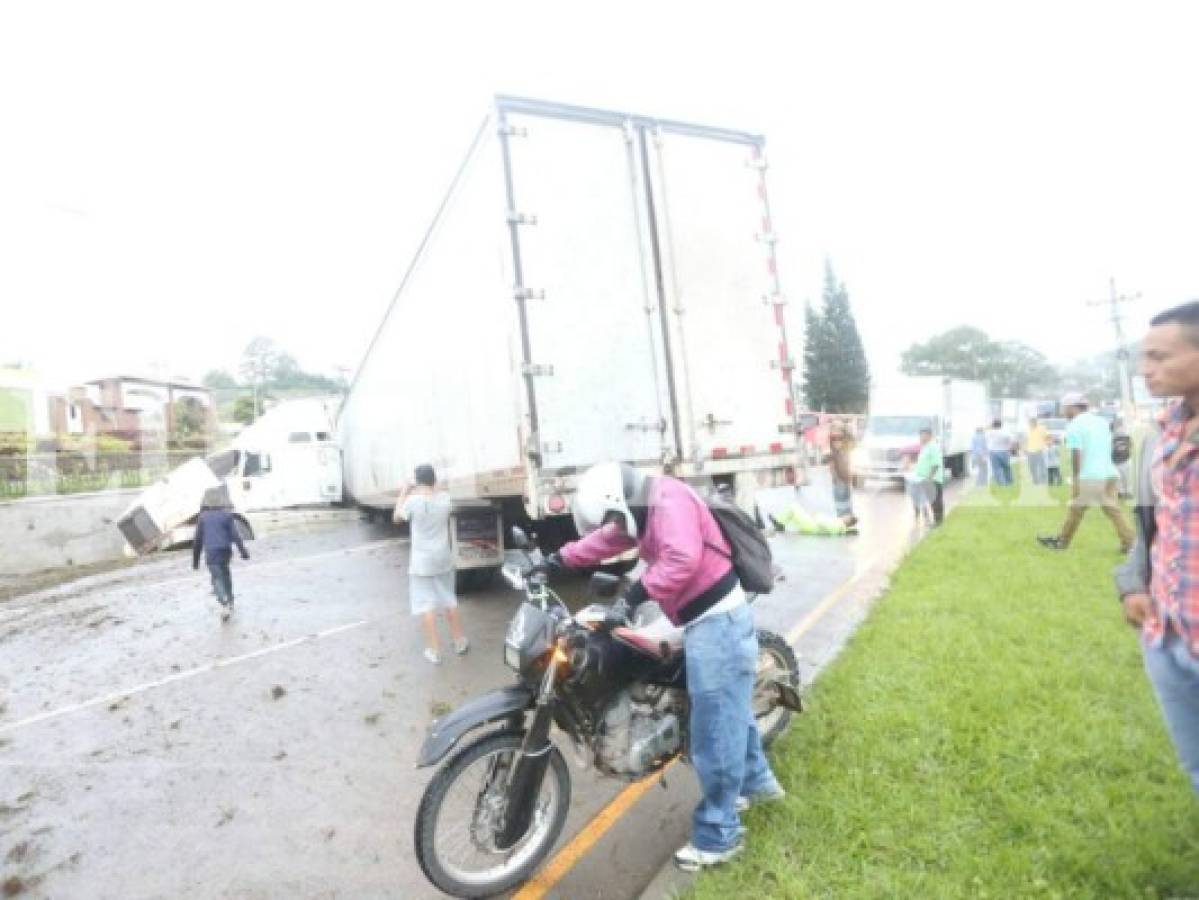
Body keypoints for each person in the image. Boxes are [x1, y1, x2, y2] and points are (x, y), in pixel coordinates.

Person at [544, 462, 783, 871]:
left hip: (717, 622)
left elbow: (681, 558)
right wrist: (556, 560)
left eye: (617, 516)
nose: (617, 526)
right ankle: (758, 783)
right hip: (694, 616)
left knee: (713, 732)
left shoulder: (669, 501)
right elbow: (607, 539)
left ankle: (719, 835)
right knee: (729, 711)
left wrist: (631, 598)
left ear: (620, 501)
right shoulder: (640, 504)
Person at [1114, 300, 1199, 794]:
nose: (1147, 370)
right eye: (1144, 357)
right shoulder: (1161, 435)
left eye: (1161, 357)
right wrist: (1133, 586)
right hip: (1167, 638)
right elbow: (1156, 527)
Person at [1037, 393, 1134, 553]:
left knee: (1077, 509)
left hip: (1089, 475)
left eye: (1064, 408)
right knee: (1112, 510)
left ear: (1072, 407)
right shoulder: (1102, 422)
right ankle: (1130, 544)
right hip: (1109, 472)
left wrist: (1076, 476)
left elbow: (1077, 453)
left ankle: (1061, 542)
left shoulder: (1074, 425)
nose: (1063, 412)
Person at [393, 464, 468, 664]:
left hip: (421, 562)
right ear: (434, 480)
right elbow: (442, 492)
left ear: (417, 482)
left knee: (427, 605)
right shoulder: (444, 499)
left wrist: (404, 491)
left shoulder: (412, 502)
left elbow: (396, 518)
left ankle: (435, 651)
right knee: (449, 599)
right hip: (443, 558)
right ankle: (459, 641)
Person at [192, 487, 249, 622]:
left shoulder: (203, 518)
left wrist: (195, 561)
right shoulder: (226, 515)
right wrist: (243, 551)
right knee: (226, 574)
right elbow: (235, 535)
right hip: (225, 551)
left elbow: (197, 540)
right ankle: (230, 600)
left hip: (212, 552)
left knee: (216, 578)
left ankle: (224, 603)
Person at [914, 426, 945, 526]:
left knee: (936, 501)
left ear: (930, 436)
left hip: (933, 479)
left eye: (924, 435)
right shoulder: (925, 447)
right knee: (932, 501)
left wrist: (930, 478)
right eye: (920, 435)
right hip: (925, 479)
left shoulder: (933, 447)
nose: (921, 437)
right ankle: (936, 521)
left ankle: (938, 522)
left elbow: (935, 464)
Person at [828, 421, 857, 525]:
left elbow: (853, 442)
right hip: (839, 478)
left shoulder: (845, 446)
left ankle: (848, 518)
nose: (837, 440)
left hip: (845, 476)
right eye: (836, 438)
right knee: (841, 501)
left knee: (846, 499)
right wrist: (834, 476)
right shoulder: (833, 450)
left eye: (840, 437)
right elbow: (831, 465)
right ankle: (843, 520)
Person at [986, 419, 1014, 486]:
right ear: (1001, 425)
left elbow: (986, 441)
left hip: (993, 453)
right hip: (1004, 452)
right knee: (1006, 467)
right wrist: (1010, 448)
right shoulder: (1005, 432)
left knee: (997, 469)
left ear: (993, 425)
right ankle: (1009, 482)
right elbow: (1011, 441)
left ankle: (1002, 483)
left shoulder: (989, 433)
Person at [1112, 417, 1133, 499]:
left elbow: (1130, 445)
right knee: (1119, 478)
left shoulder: (1126, 436)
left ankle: (1128, 491)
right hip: (1116, 461)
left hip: (1125, 460)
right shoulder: (1112, 437)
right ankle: (1120, 492)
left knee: (1127, 477)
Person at [1025, 417, 1049, 485]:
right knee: (1032, 467)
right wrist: (1024, 449)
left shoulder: (1042, 428)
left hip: (1040, 450)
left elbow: (1047, 437)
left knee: (1042, 467)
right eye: (1030, 423)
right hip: (1030, 451)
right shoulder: (1028, 429)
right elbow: (1026, 440)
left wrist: (1046, 445)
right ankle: (1035, 481)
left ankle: (1043, 481)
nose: (1031, 424)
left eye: (1033, 422)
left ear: (1036, 422)